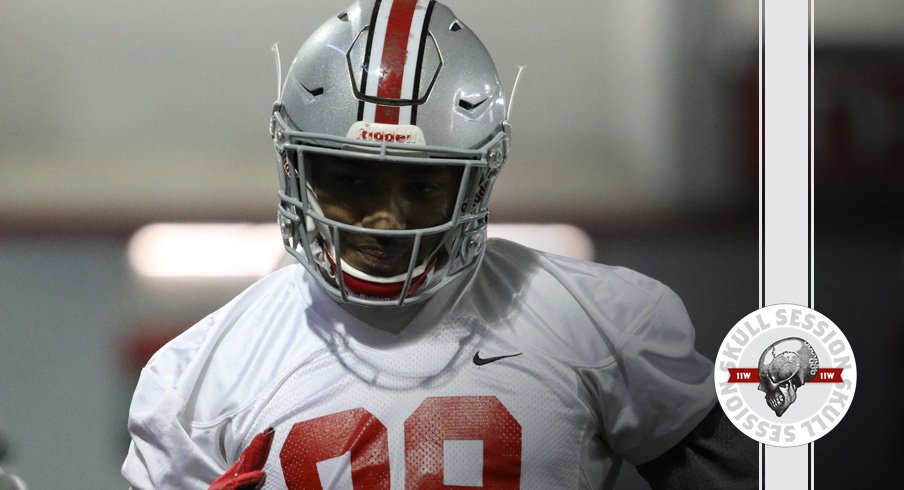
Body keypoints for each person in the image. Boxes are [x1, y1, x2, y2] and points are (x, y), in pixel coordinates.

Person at [122, 0, 756, 488]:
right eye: (349, 179)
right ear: (299, 171)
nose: (385, 218)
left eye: (421, 184)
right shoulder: (195, 380)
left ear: (476, 180)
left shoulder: (601, 324)